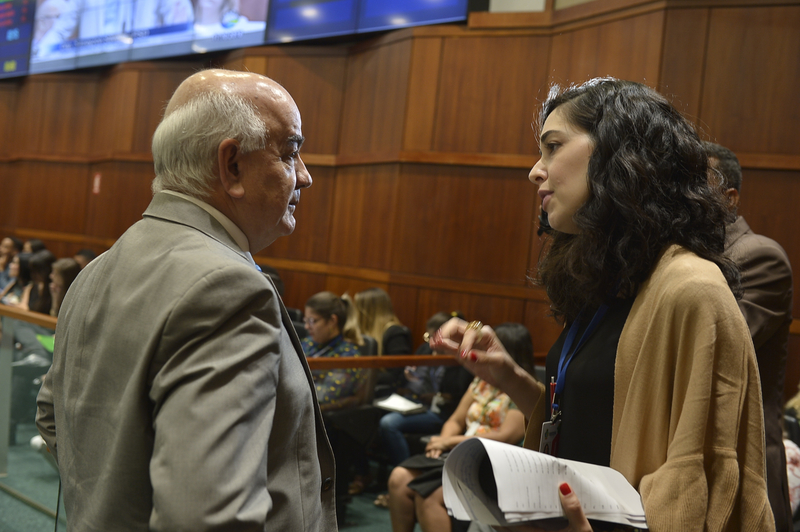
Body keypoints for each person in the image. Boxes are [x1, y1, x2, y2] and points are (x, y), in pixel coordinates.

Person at [432, 78, 773, 531]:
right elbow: (587, 423)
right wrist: (508, 376)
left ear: (619, 152)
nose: (535, 171)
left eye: (553, 147)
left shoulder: (692, 288)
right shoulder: (612, 280)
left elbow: (702, 482)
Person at [36, 69, 337, 531]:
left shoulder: (95, 271)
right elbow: (208, 517)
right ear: (232, 165)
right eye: (290, 152)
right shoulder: (227, 289)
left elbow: (52, 416)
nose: (305, 176)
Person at [705, 141, 794, 531]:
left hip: (745, 465)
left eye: (696, 182)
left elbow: (714, 346)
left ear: (730, 198)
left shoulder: (760, 255)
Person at [388, 323, 532, 532]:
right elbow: (455, 420)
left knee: (427, 495)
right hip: (459, 452)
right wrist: (441, 443)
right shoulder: (481, 381)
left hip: (489, 463)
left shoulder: (525, 390)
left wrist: (449, 442)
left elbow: (506, 437)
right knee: (398, 477)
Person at [378, 311, 473, 468]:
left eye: (436, 338)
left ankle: (405, 468)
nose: (432, 343)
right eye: (429, 337)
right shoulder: (425, 349)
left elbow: (458, 394)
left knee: (389, 423)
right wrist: (407, 379)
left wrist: (437, 396)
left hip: (440, 410)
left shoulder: (458, 357)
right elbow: (410, 376)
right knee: (376, 409)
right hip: (415, 402)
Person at [302, 291, 365, 411]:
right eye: (306, 320)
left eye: (312, 321)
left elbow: (326, 396)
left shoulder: (348, 356)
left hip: (322, 417)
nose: (306, 326)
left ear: (332, 321)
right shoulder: (307, 343)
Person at [19, 249, 55, 314]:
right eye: (33, 270)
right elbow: (23, 305)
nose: (33, 275)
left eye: (38, 271)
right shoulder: (32, 286)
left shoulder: (53, 290)